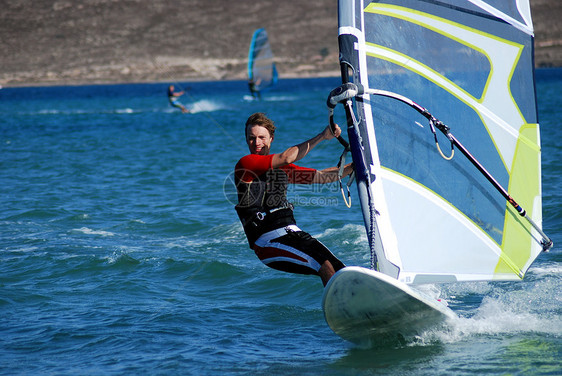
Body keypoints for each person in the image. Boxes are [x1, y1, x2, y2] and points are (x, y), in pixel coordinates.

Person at [234, 112, 354, 286]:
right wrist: (322, 136)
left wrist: (355, 165)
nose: (257, 143)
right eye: (252, 138)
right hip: (267, 242)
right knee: (324, 265)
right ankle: (342, 310)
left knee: (340, 268)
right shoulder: (246, 164)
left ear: (271, 139)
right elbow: (287, 156)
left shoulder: (283, 169)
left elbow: (321, 177)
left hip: (293, 233)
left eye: (262, 137)